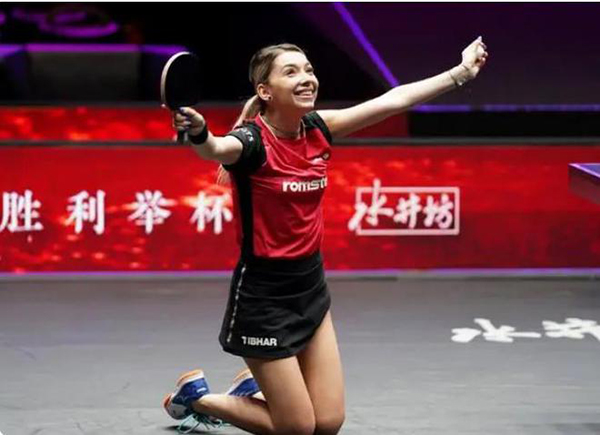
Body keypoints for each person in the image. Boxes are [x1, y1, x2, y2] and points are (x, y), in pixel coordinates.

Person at [163, 37, 488, 435]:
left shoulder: (318, 128)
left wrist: (460, 73)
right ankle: (195, 398)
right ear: (265, 91)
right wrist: (199, 133)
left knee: (329, 423)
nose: (306, 78)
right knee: (299, 428)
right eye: (291, 72)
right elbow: (215, 148)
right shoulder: (251, 143)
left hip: (310, 285)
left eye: (309, 70)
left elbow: (394, 100)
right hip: (263, 296)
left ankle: (250, 391)